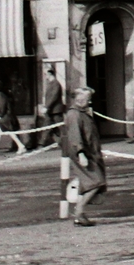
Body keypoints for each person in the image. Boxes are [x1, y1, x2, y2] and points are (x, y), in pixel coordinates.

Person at [60, 86, 106, 226]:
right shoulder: (74, 114)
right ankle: (79, 213)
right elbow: (75, 136)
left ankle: (79, 215)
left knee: (90, 183)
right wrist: (81, 154)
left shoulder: (82, 113)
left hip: (89, 153)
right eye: (87, 99)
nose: (89, 102)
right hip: (83, 153)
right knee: (96, 181)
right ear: (79, 99)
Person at [36, 64, 65, 146]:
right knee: (47, 127)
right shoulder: (50, 83)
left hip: (55, 110)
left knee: (61, 128)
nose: (45, 76)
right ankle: (41, 143)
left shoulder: (56, 84)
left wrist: (46, 107)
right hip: (51, 111)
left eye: (45, 74)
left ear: (50, 73)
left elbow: (53, 96)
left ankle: (67, 142)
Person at [0, 81, 21, 153]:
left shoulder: (0, 96)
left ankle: (21, 146)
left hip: (6, 118)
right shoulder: (2, 95)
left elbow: (2, 110)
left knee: (10, 132)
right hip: (6, 117)